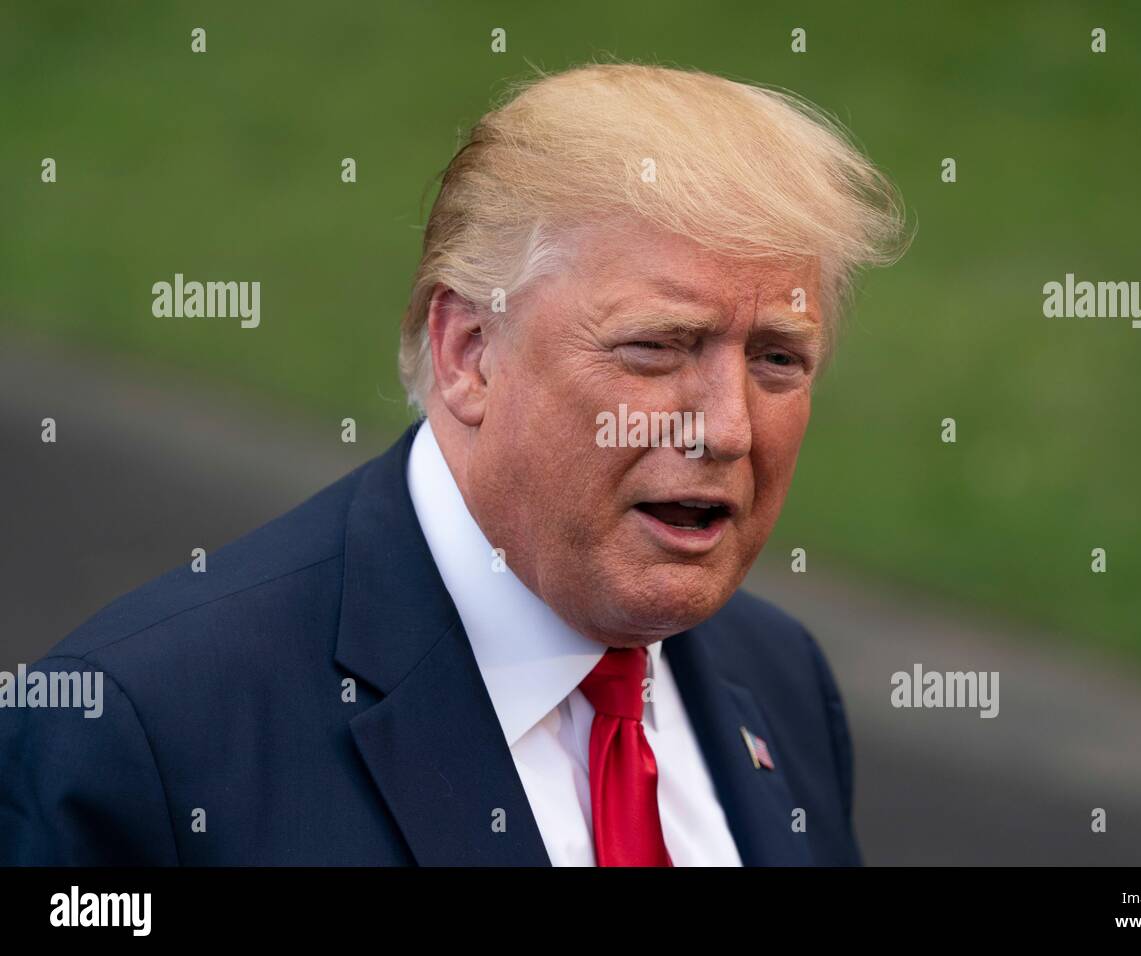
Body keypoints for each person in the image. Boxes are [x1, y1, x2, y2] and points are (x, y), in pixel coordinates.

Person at [0, 63, 904, 866]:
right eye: (658, 346)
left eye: (778, 359)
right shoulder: (140, 733)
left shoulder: (781, 679)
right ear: (469, 352)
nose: (729, 429)